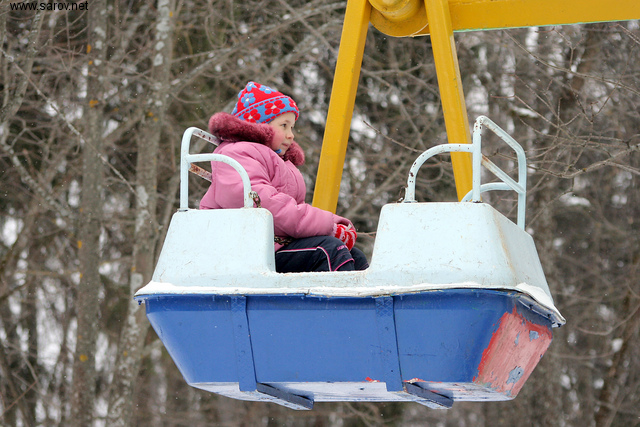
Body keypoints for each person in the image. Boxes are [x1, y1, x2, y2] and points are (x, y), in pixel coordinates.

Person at [200, 81, 368, 272]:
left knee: (354, 255)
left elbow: (293, 208)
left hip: (273, 244)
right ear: (259, 125)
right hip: (247, 249)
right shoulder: (237, 154)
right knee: (329, 251)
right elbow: (269, 206)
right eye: (284, 126)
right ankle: (336, 293)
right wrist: (329, 226)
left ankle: (368, 293)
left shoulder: (280, 161)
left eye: (292, 127)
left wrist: (336, 224)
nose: (291, 135)